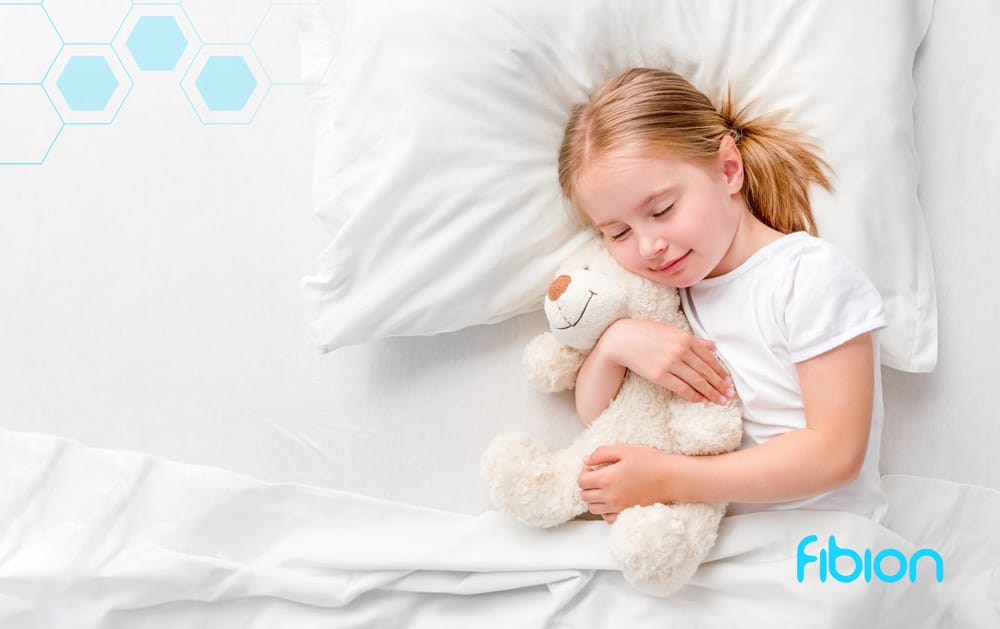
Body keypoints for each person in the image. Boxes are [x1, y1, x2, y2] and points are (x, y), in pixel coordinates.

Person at [557, 67, 888, 525]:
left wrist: (667, 479)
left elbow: (835, 454)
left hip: (823, 541)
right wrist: (616, 344)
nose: (649, 246)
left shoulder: (807, 276)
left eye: (662, 210)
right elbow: (599, 413)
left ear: (728, 169)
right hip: (716, 544)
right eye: (618, 232)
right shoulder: (667, 295)